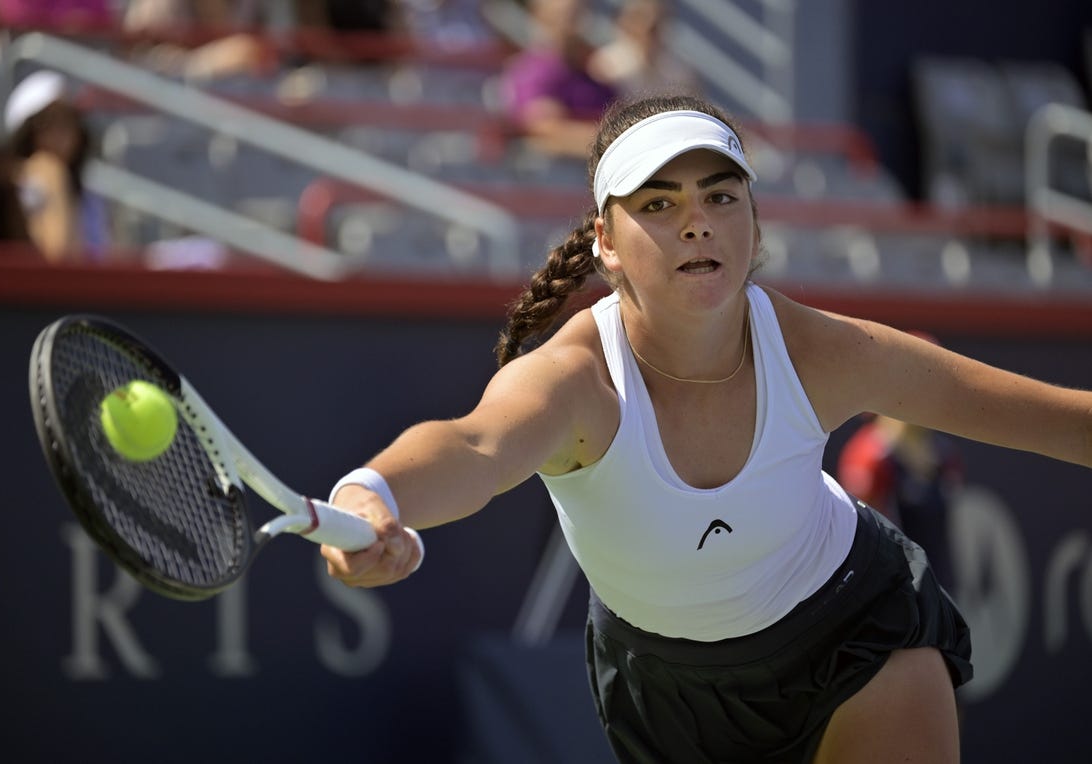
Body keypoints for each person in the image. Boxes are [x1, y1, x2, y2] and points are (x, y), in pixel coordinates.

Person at [319, 93, 1092, 762]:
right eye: (658, 204)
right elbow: (473, 445)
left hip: (857, 629)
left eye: (721, 197)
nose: (697, 223)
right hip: (668, 697)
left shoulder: (819, 352)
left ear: (755, 226)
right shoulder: (577, 381)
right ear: (606, 244)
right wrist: (372, 493)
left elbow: (1046, 419)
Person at [837, 335, 964, 592]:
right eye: (923, 382)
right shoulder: (869, 456)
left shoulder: (945, 455)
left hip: (938, 593)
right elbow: (862, 543)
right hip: (887, 598)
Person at [4, 70, 111, 263]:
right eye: (49, 121)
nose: (62, 133)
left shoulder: (89, 195)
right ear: (27, 131)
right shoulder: (10, 188)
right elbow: (59, 256)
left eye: (69, 120)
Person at [500, 0, 617, 158]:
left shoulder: (594, 70)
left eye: (578, 14)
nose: (573, 24)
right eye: (564, 15)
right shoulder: (532, 70)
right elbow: (542, 128)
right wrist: (610, 142)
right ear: (541, 18)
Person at [587, 0, 700, 97]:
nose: (645, 30)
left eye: (655, 25)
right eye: (639, 19)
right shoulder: (605, 64)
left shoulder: (681, 73)